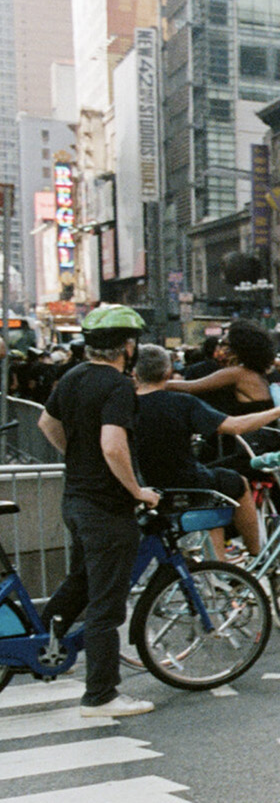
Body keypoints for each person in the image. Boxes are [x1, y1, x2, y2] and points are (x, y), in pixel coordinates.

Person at [36, 305, 161, 718]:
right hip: (107, 507)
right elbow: (112, 444)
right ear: (128, 346)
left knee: (81, 580)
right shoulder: (117, 386)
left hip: (74, 499)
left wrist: (77, 456)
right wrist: (137, 490)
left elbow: (46, 424)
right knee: (106, 604)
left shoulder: (71, 377)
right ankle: (101, 695)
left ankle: (43, 642)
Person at [132, 345, 280, 556]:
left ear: (134, 372)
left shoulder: (125, 404)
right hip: (187, 482)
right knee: (237, 483)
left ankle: (218, 565)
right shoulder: (183, 403)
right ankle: (257, 551)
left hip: (144, 485)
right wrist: (278, 411)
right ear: (167, 372)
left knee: (214, 492)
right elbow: (236, 426)